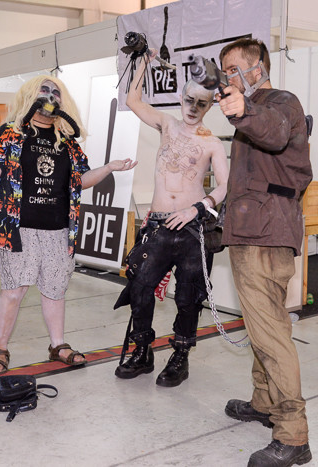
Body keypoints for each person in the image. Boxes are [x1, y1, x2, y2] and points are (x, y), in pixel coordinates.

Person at [0, 75, 136, 375]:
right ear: (31, 95)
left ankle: (58, 345)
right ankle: (1, 347)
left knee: (55, 290)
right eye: (44, 90)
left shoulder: (66, 140)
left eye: (56, 92)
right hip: (17, 229)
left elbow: (80, 180)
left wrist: (109, 168)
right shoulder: (9, 132)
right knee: (14, 290)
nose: (50, 95)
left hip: (59, 230)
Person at [216, 38, 313, 467]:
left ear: (257, 69)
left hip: (265, 233)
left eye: (234, 69)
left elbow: (273, 132)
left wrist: (244, 110)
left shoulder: (280, 103)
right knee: (262, 326)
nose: (228, 77)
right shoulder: (256, 109)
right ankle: (265, 402)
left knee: (270, 333)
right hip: (254, 229)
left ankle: (293, 435)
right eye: (225, 71)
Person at [113, 50, 229, 387]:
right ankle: (142, 351)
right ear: (181, 97)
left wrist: (198, 207)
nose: (193, 108)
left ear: (210, 106)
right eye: (189, 100)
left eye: (201, 104)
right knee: (140, 287)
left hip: (192, 228)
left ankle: (180, 356)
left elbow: (225, 185)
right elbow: (133, 100)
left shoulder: (213, 143)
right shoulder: (166, 124)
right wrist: (143, 63)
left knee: (188, 296)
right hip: (159, 225)